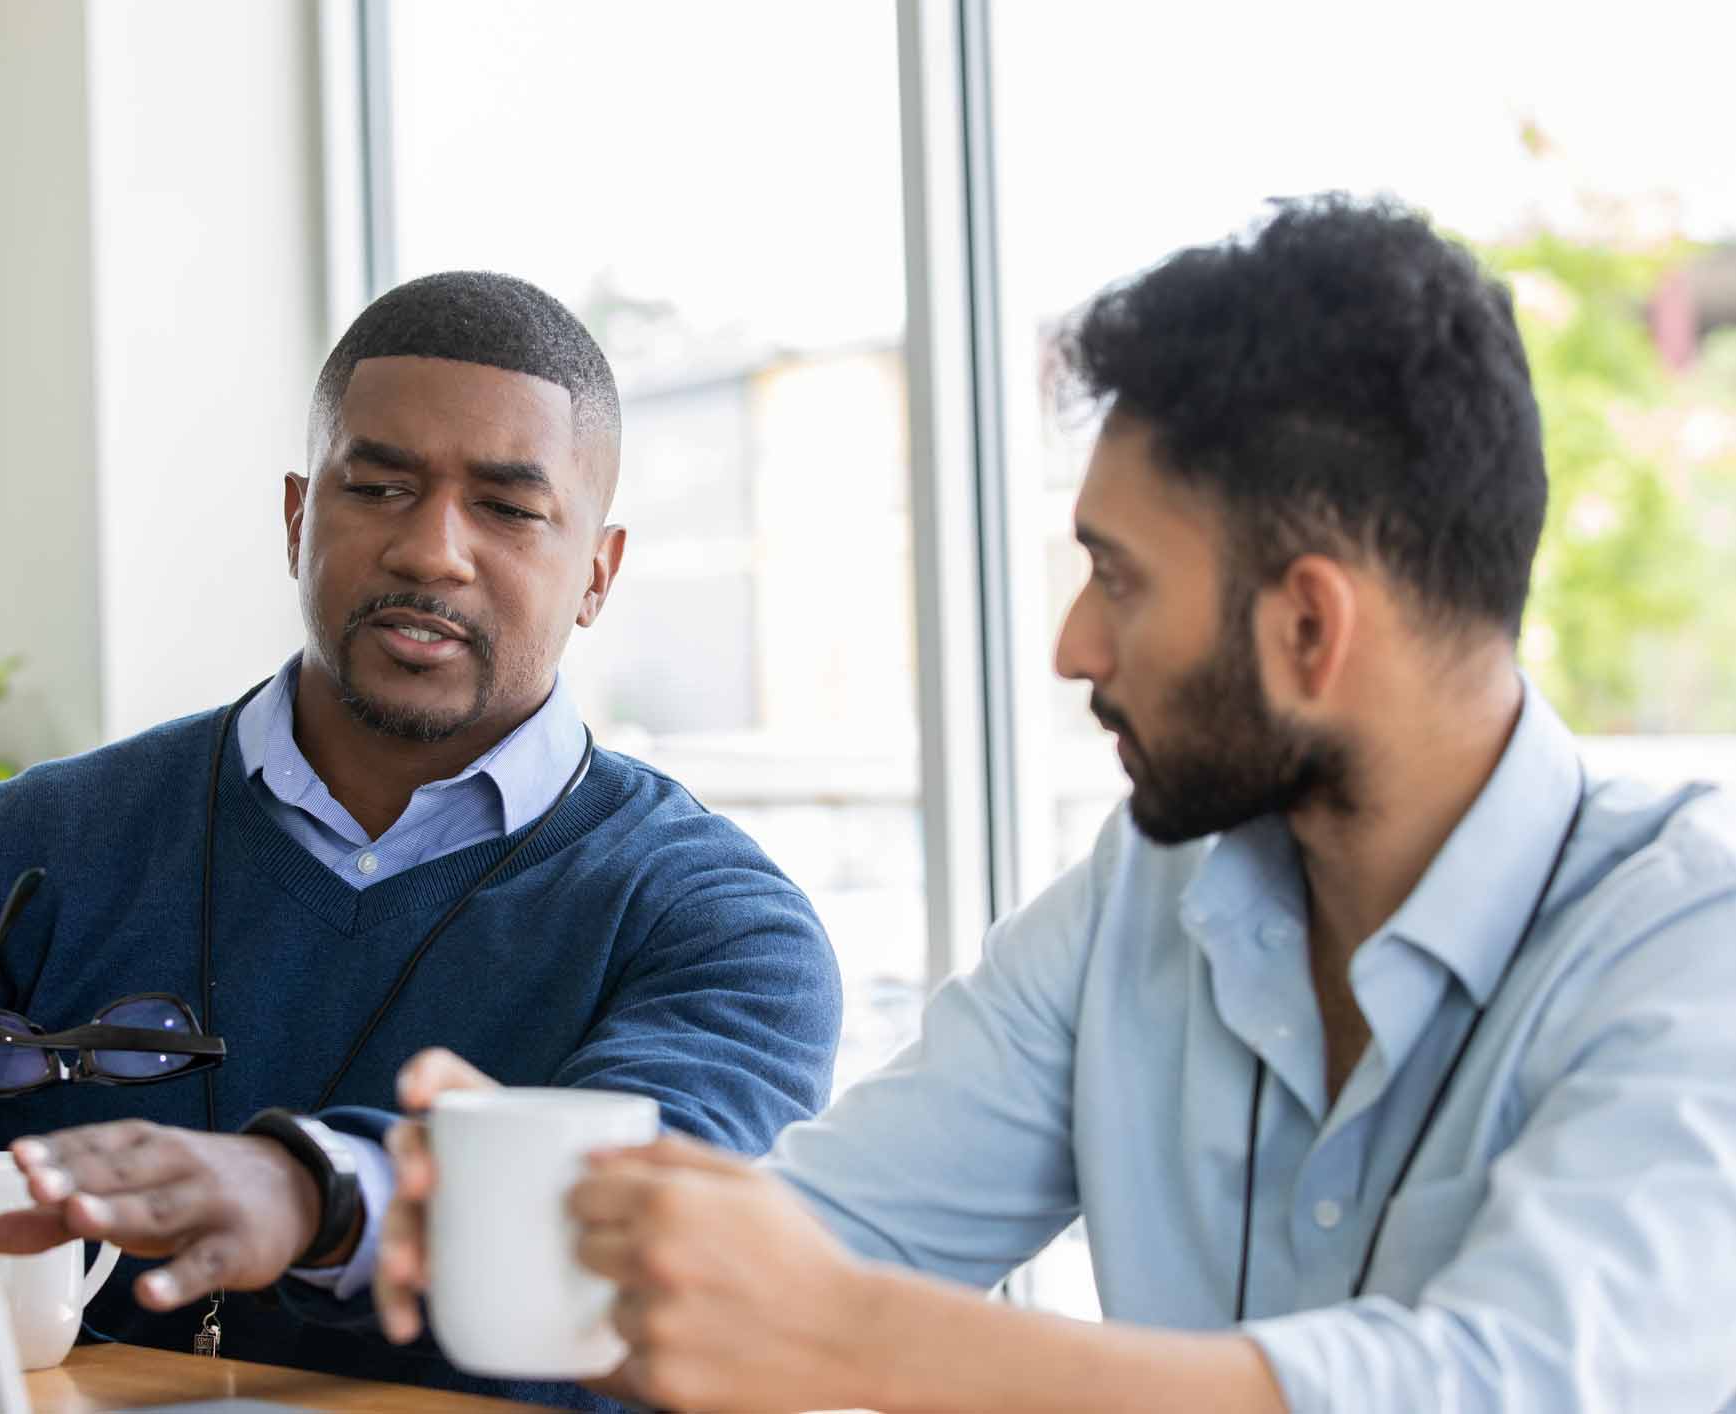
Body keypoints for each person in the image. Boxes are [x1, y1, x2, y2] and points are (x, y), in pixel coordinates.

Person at [379, 197, 1736, 1412]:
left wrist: (852, 1334)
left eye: (1118, 577)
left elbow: (1504, 1383)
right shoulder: (1145, 898)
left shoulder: (1689, 953)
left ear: (1311, 626)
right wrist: (536, 1238)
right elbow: (827, 1236)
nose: (1074, 644)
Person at [0, 271, 842, 1409]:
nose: (432, 551)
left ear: (596, 574)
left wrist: (306, 1187)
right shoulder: (21, 846)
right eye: (381, 486)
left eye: (507, 507)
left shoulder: (718, 927)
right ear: (301, 518)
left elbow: (627, 1217)